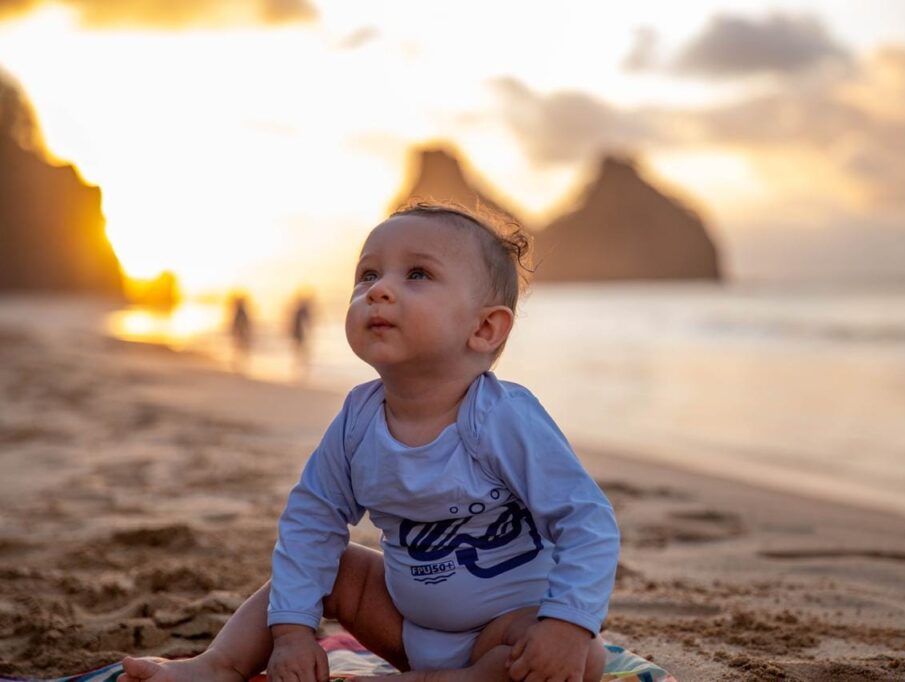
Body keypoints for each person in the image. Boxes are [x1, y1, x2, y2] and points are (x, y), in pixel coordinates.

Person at [119, 203, 620, 682]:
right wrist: (292, 633)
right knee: (337, 569)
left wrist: (566, 625)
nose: (379, 291)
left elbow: (586, 520)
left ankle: (458, 676)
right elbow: (312, 520)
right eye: (367, 275)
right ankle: (220, 665)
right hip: (402, 626)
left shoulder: (503, 418)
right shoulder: (358, 421)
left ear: (484, 327)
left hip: (501, 630)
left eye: (417, 275)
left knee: (582, 660)